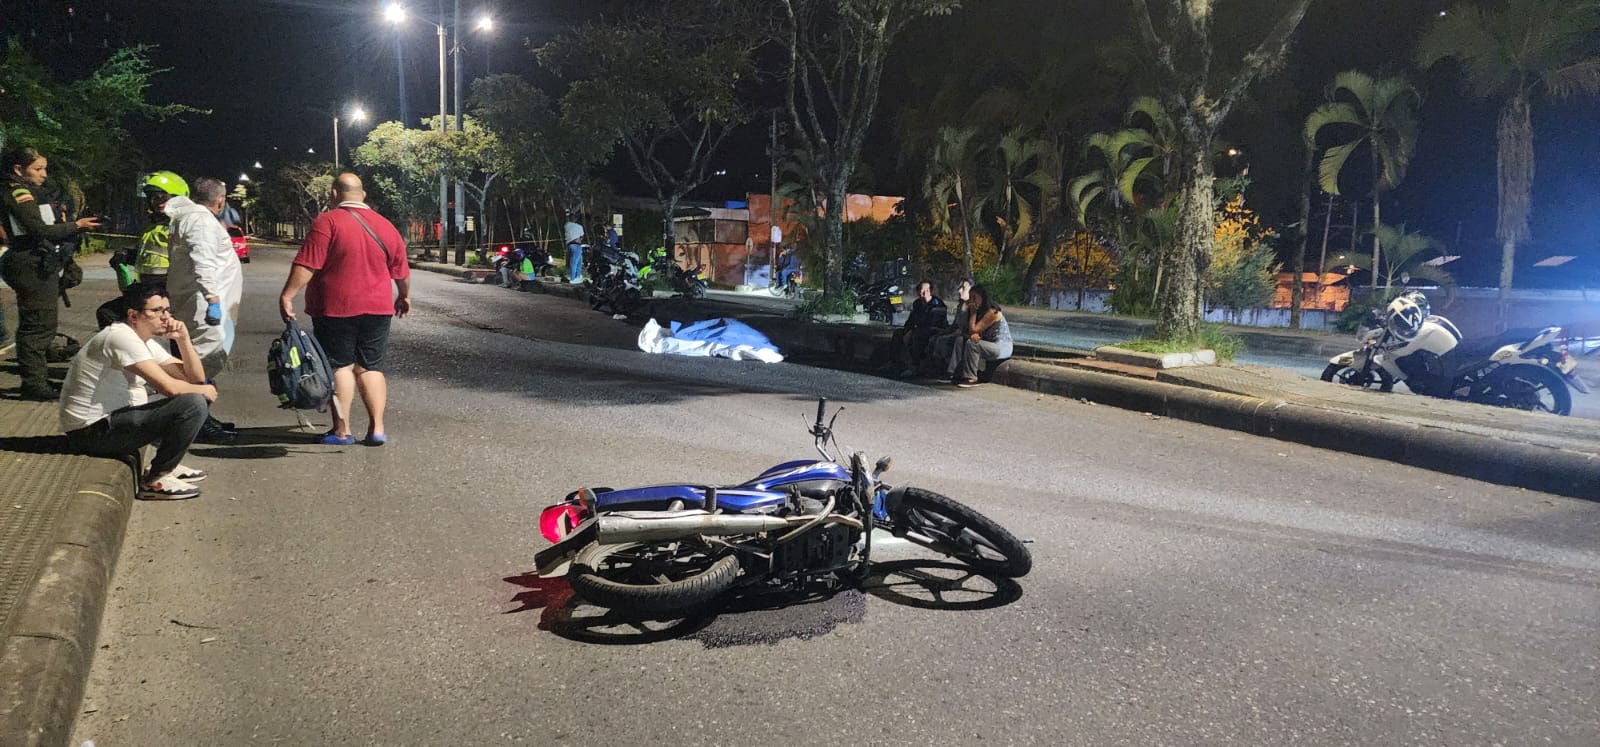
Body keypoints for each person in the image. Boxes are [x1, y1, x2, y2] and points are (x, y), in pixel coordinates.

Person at [279, 173, 411, 446]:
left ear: (334, 193)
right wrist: (404, 296)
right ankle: (377, 429)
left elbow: (308, 263)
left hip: (335, 307)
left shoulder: (327, 221)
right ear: (363, 195)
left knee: (340, 366)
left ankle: (342, 430)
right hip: (378, 309)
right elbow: (401, 269)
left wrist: (288, 295)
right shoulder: (386, 225)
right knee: (371, 367)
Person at [59, 283, 216, 499]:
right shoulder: (120, 337)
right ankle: (155, 479)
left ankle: (168, 464)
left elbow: (194, 378)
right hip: (91, 433)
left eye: (167, 310)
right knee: (193, 403)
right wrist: (202, 389)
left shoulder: (142, 339)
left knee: (199, 391)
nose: (165, 317)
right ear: (133, 315)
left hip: (111, 422)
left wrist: (183, 339)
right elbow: (170, 387)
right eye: (156, 311)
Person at [2, 145, 101, 400]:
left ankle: (38, 380)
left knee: (42, 322)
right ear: (18, 169)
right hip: (29, 262)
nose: (44, 174)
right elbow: (39, 230)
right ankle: (34, 385)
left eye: (44, 169)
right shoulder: (19, 193)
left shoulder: (30, 192)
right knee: (37, 327)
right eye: (38, 169)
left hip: (37, 262)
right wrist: (76, 225)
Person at [166, 176, 244, 443]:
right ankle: (196, 424)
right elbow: (204, 262)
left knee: (197, 364)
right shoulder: (201, 221)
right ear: (220, 200)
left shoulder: (190, 218)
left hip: (194, 302)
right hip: (202, 306)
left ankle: (201, 419)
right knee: (200, 366)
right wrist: (213, 300)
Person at [125, 171, 190, 293]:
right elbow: (152, 255)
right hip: (147, 286)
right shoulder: (153, 226)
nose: (158, 202)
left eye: (163, 198)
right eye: (154, 198)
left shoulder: (183, 225)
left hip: (170, 289)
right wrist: (127, 255)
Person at [948, 283, 1012, 388]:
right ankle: (955, 373)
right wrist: (965, 311)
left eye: (974, 298)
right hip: (987, 343)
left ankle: (971, 377)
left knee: (972, 344)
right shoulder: (978, 311)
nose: (972, 301)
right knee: (960, 340)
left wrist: (973, 313)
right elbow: (966, 330)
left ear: (983, 297)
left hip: (1000, 346)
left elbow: (974, 329)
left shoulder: (992, 312)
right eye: (970, 298)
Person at [892, 281, 948, 377]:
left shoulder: (937, 305)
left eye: (927, 290)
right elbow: (911, 320)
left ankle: (915, 366)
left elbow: (931, 323)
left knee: (917, 335)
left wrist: (913, 330)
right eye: (922, 290)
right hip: (920, 328)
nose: (925, 293)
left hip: (934, 329)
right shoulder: (917, 303)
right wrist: (907, 329)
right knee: (898, 333)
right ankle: (894, 363)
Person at [925, 278, 973, 375]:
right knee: (934, 338)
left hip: (963, 335)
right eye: (959, 287)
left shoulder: (972, 307)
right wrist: (943, 331)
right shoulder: (960, 306)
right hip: (956, 332)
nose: (959, 290)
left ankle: (948, 370)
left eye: (963, 288)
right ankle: (931, 367)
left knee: (942, 341)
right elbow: (955, 325)